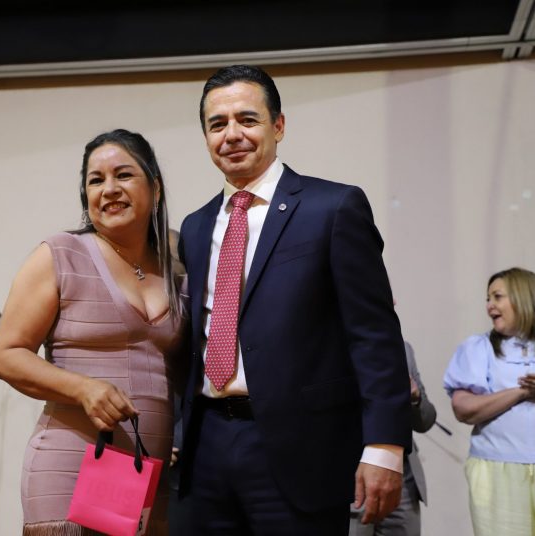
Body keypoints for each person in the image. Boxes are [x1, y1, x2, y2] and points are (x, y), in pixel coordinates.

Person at [176, 64, 411, 534]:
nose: (232, 134)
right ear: (205, 137)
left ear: (278, 126)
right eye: (217, 124)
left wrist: (385, 446)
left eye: (247, 119)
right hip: (207, 447)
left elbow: (374, 335)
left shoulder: (333, 207)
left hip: (302, 448)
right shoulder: (196, 227)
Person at [0, 129, 187, 535]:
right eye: (96, 180)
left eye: (123, 175)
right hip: (73, 465)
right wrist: (84, 389)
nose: (109, 189)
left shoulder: (178, 266)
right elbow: (6, 355)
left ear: (155, 188)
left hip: (148, 474)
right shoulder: (61, 254)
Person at [444, 267, 535, 536]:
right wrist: (520, 393)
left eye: (497, 297)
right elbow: (464, 409)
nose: (489, 306)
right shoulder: (478, 348)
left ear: (523, 297)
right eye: (488, 299)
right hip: (498, 471)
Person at [350, 341, 437, 536]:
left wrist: (415, 397)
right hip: (355, 478)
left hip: (402, 482)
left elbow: (426, 421)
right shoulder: (335, 343)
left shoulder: (404, 348)